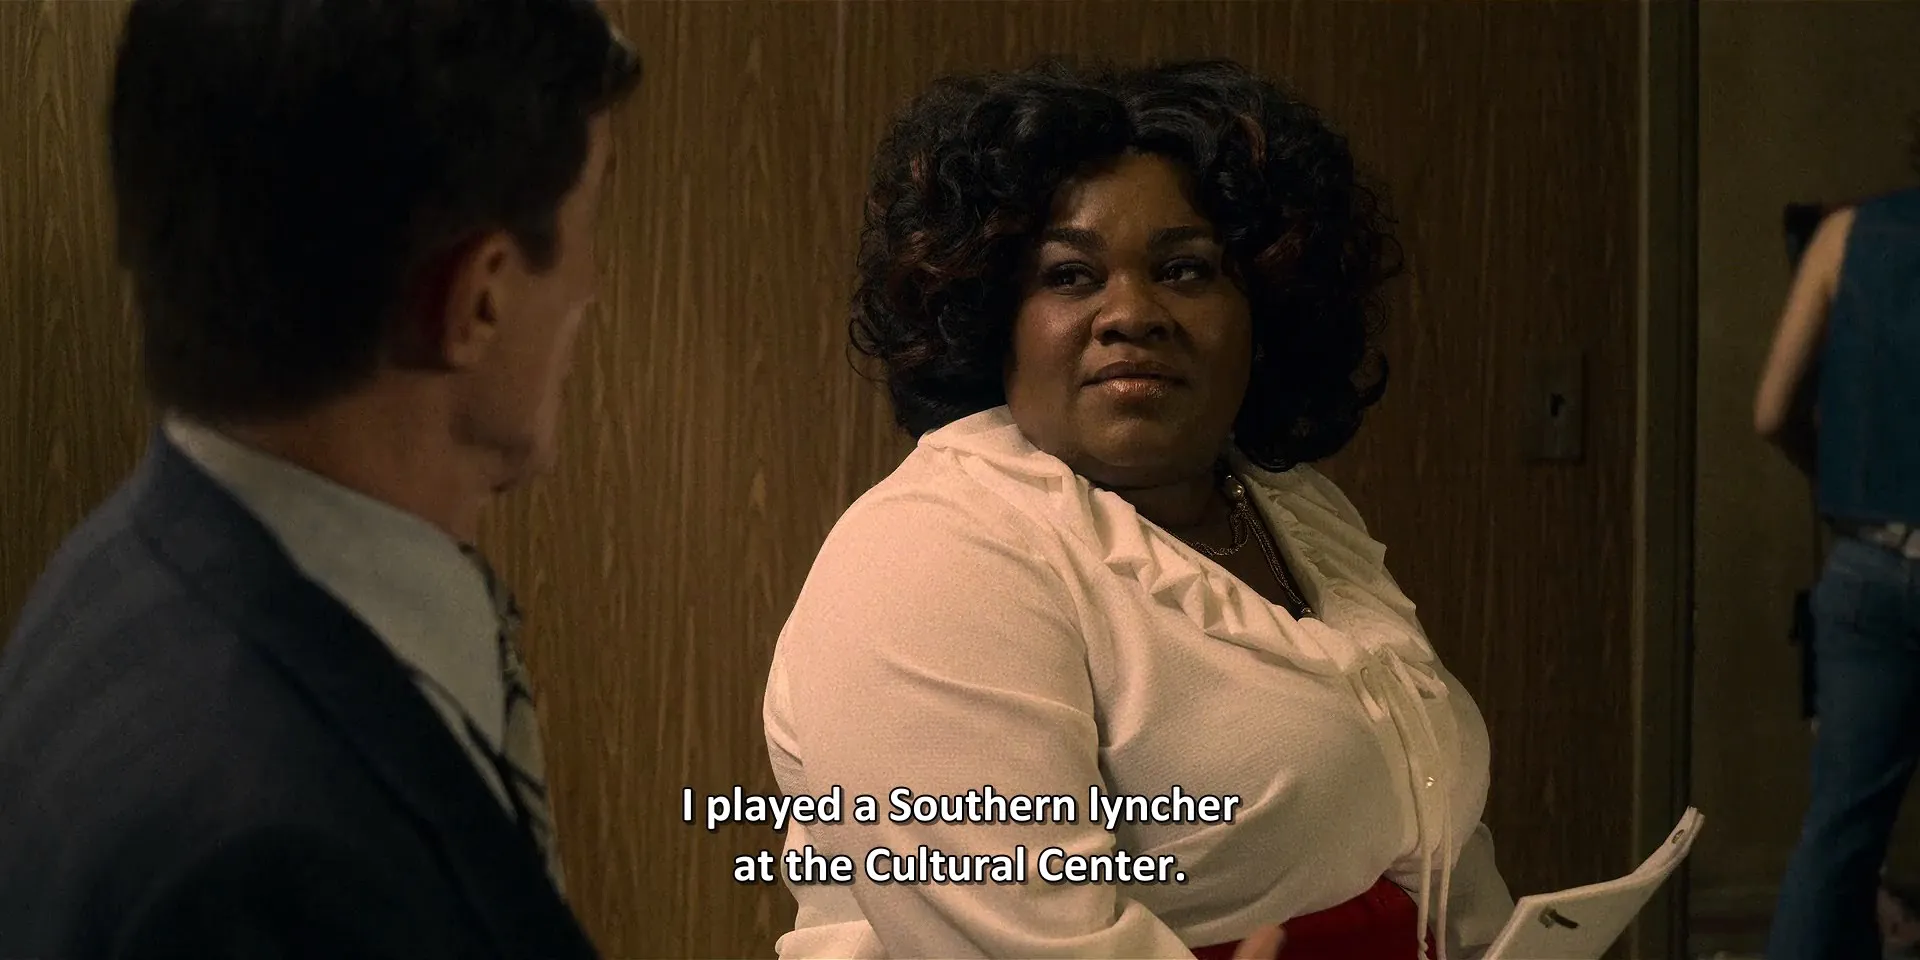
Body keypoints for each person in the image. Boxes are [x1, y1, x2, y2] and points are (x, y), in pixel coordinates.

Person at [763, 59, 1514, 959]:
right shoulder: (929, 556)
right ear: (992, 316)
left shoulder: (1299, 510)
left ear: (1264, 310)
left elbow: (1441, 849)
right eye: (1070, 275)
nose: (1133, 313)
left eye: (1185, 270)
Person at [0, 2, 639, 956]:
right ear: (478, 297)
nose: (590, 282)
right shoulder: (276, 871)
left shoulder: (111, 576)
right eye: (590, 220)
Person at [1758, 157, 1920, 957]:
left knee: (1839, 835)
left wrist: (1838, 479)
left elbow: (1772, 413)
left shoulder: (1846, 235)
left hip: (1869, 565)